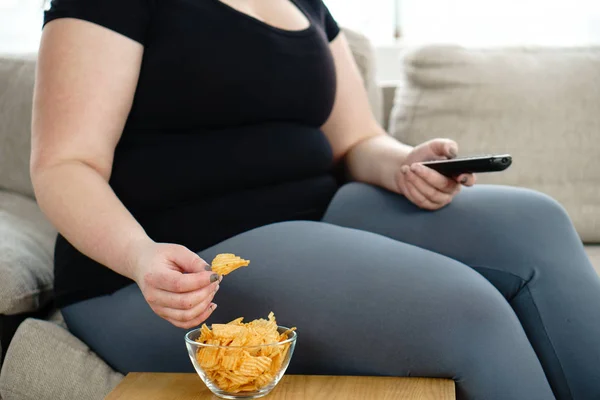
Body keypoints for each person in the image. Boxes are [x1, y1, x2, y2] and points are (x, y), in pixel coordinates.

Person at [32, 0, 599, 399]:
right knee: (469, 311)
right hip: (176, 264)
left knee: (535, 223)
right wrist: (139, 257)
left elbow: (356, 140)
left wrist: (404, 162)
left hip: (319, 213)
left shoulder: (306, 4)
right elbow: (64, 164)